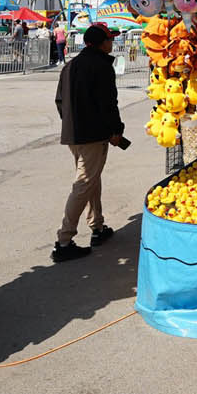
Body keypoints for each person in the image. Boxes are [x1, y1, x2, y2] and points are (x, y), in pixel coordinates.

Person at [51, 24, 129, 262]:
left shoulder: (70, 65)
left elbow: (59, 101)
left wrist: (70, 123)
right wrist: (115, 130)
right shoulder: (101, 66)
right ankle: (64, 241)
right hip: (93, 135)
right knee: (84, 183)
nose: (112, 43)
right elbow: (108, 103)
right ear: (101, 43)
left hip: (74, 134)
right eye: (110, 39)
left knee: (91, 179)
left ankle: (97, 226)